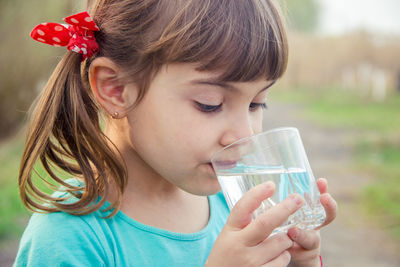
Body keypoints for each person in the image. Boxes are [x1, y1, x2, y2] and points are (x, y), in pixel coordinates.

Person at [14, 0, 337, 266]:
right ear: (115, 89)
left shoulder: (237, 207)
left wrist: (297, 262)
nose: (243, 135)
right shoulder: (68, 237)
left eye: (257, 104)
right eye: (209, 104)